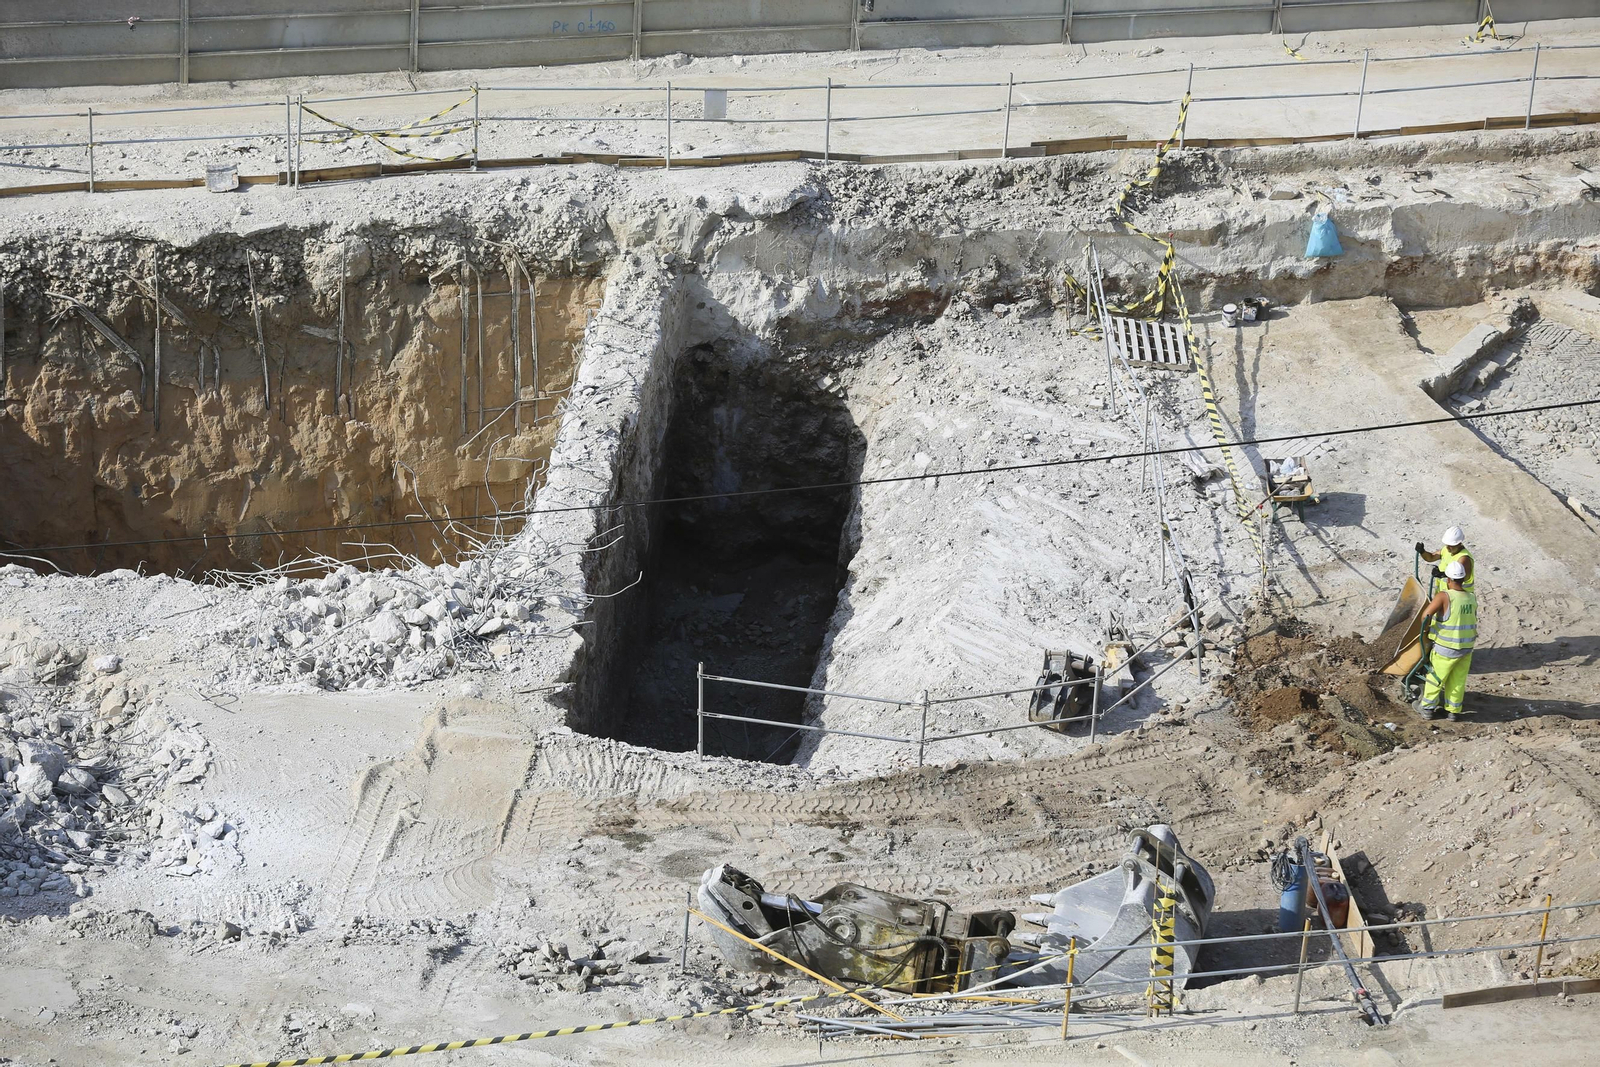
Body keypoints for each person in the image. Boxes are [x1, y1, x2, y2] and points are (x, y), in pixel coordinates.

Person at [1417, 559, 1477, 721]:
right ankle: (1453, 712)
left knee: (1436, 677)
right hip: (1466, 648)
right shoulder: (1471, 598)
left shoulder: (1444, 596)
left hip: (1446, 647)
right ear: (1463, 579)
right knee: (1458, 680)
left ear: (1448, 579)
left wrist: (1427, 630)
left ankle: (1428, 708)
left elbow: (1425, 616)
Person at [1416, 525, 1474, 591]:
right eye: (1447, 545)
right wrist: (1422, 551)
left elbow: (1459, 578)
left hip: (1459, 596)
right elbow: (1430, 558)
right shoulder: (1446, 550)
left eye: (1451, 545)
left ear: (1459, 543)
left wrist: (1442, 574)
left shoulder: (1464, 558)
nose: (1447, 547)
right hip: (1445, 593)